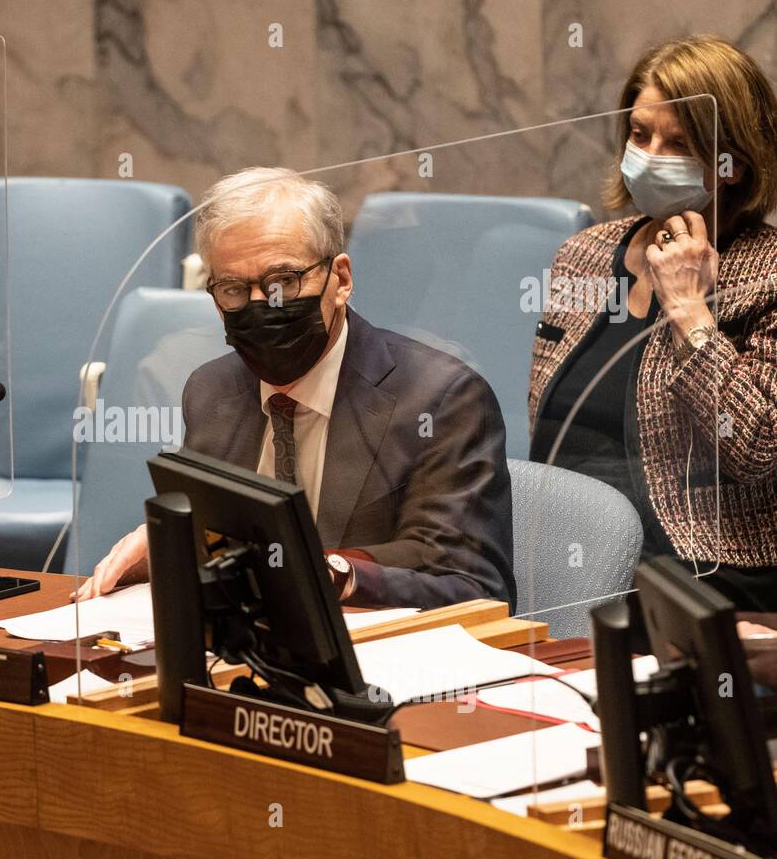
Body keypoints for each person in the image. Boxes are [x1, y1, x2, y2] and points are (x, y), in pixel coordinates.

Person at [74, 166, 515, 609]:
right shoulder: (210, 391)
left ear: (340, 280)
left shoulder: (440, 399)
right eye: (233, 288)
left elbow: (471, 584)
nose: (262, 305)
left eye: (283, 281)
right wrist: (166, 553)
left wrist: (329, 573)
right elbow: (220, 548)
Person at [529, 35, 777, 611]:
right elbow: (548, 426)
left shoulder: (767, 275)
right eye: (640, 135)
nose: (648, 154)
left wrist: (690, 312)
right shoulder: (582, 255)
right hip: (569, 561)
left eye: (679, 143)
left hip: (702, 577)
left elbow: (757, 449)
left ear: (731, 163)